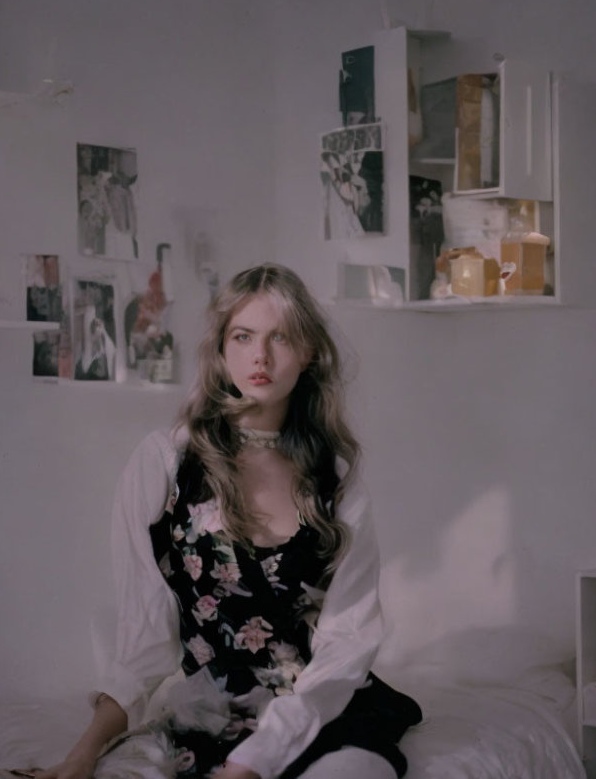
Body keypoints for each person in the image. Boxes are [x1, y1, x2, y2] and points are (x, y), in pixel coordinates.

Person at [41, 264, 420, 779]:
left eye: (280, 338)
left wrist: (260, 758)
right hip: (214, 715)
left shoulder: (336, 480)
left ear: (307, 353)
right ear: (222, 350)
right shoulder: (165, 463)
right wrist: (82, 754)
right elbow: (146, 641)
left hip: (320, 713)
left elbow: (347, 642)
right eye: (243, 337)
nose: (260, 357)